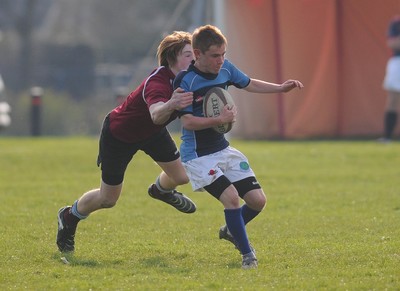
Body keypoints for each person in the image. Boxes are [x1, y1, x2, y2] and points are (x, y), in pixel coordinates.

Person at [174, 25, 303, 269]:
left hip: (223, 149)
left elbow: (248, 83)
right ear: (198, 54)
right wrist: (218, 120)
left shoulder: (226, 69)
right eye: (215, 56)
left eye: (223, 54)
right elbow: (187, 121)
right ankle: (248, 256)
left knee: (257, 201)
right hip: (198, 156)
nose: (221, 60)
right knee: (231, 198)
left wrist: (280, 88)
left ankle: (232, 230)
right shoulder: (186, 81)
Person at [57, 31, 197, 253]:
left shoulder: (191, 79)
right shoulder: (158, 82)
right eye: (189, 54)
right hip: (119, 135)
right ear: (172, 58)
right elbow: (156, 114)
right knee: (108, 199)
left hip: (152, 133)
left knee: (181, 177)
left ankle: (161, 191)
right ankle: (69, 216)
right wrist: (172, 103)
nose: (194, 59)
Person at [380, 16, 400, 142]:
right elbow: (392, 43)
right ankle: (387, 137)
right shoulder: (396, 23)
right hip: (397, 62)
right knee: (393, 99)